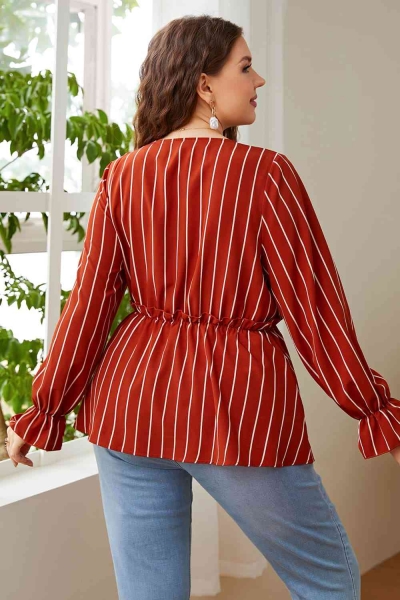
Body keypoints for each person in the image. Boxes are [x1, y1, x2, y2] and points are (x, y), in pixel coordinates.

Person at [6, 14, 400, 600]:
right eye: (246, 67)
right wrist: (375, 410)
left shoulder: (122, 176)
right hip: (236, 407)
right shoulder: (265, 176)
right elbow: (314, 309)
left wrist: (43, 410)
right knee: (328, 581)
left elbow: (88, 308)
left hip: (130, 405)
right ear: (204, 85)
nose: (259, 80)